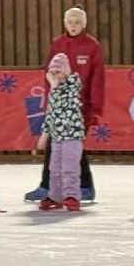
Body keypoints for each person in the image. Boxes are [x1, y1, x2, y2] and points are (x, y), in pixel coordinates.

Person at [25, 6, 105, 204]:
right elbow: (49, 72)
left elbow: (97, 78)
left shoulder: (92, 46)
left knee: (71, 145)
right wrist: (50, 98)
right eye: (70, 22)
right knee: (62, 144)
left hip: (81, 107)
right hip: (59, 104)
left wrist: (95, 106)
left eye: (77, 22)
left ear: (83, 24)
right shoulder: (58, 43)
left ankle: (55, 187)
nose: (73, 26)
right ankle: (73, 186)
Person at [34, 53, 85, 211]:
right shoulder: (54, 90)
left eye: (59, 72)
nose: (56, 76)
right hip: (57, 138)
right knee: (54, 168)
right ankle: (55, 195)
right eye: (53, 73)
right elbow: (50, 114)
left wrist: (54, 87)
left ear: (66, 72)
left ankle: (72, 195)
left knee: (70, 167)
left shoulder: (73, 85)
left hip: (72, 136)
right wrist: (44, 135)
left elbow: (66, 104)